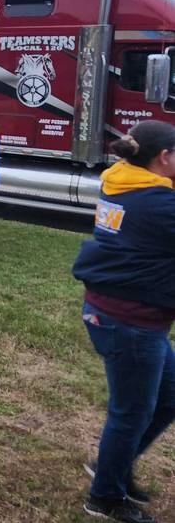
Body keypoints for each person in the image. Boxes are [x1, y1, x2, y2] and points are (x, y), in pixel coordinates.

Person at [72, 121, 175, 523]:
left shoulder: (123, 181)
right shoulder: (158, 203)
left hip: (126, 313)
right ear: (164, 157)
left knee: (168, 397)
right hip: (130, 321)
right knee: (131, 412)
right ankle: (105, 496)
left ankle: (112, 465)